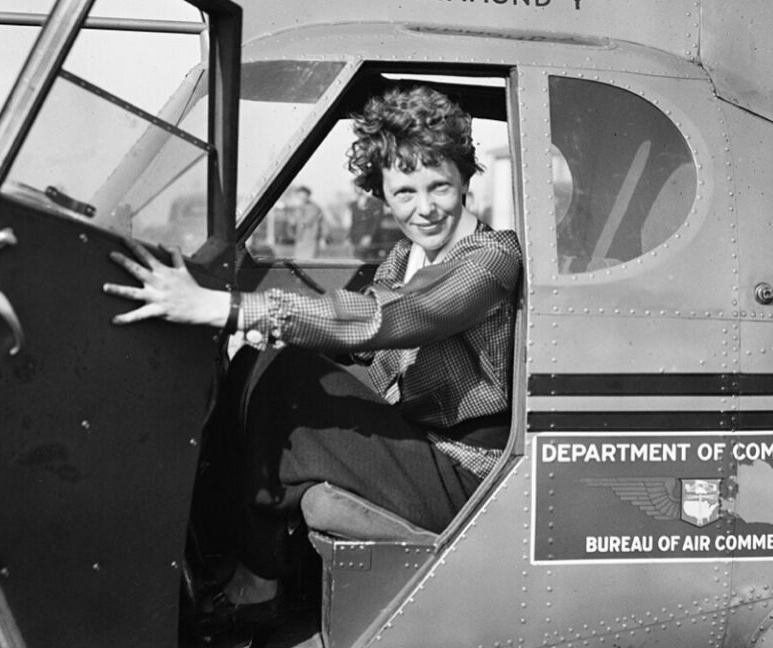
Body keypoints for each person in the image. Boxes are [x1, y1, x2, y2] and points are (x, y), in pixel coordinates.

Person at [103, 86, 521, 629]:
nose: (425, 208)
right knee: (267, 360)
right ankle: (216, 558)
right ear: (382, 194)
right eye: (404, 192)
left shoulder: (491, 258)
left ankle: (257, 584)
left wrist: (229, 308)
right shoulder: (405, 256)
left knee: (289, 376)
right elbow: (362, 343)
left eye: (439, 185)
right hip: (419, 440)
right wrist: (271, 336)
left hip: (465, 473)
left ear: (465, 179)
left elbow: (391, 316)